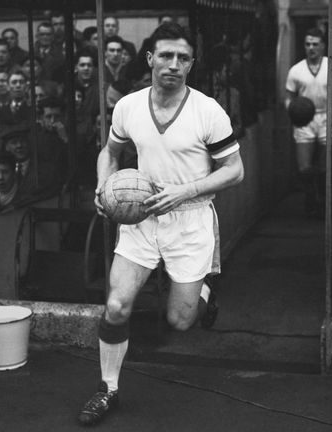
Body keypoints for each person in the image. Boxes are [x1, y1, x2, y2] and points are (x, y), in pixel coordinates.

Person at [77, 22, 244, 426]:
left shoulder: (208, 111)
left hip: (190, 219)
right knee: (116, 306)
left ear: (191, 64)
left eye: (183, 58)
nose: (173, 64)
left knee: (180, 321)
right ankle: (108, 388)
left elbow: (235, 170)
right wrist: (104, 186)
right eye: (166, 55)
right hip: (142, 217)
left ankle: (204, 289)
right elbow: (110, 152)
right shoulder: (129, 106)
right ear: (150, 58)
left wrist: (184, 191)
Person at [284, 27, 332, 217]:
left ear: (322, 46)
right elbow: (288, 97)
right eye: (307, 44)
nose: (311, 48)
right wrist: (293, 110)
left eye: (315, 44)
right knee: (304, 168)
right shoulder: (296, 70)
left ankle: (321, 200)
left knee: (324, 167)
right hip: (304, 119)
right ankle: (310, 195)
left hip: (326, 117)